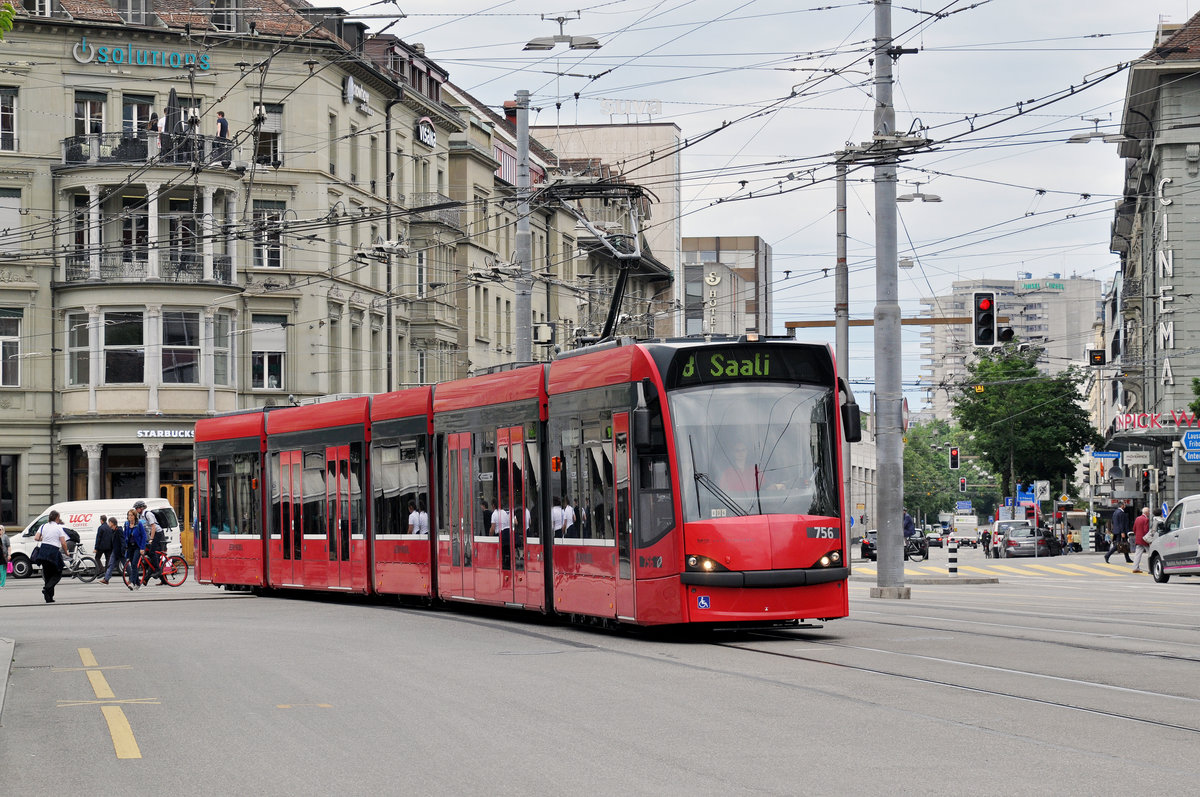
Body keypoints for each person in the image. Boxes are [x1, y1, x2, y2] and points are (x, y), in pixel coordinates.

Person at [34, 510, 70, 603]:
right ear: (57, 518)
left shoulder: (43, 526)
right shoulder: (58, 528)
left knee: (47, 575)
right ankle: (47, 588)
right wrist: (66, 552)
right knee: (57, 573)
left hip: (43, 551)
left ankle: (49, 598)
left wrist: (45, 538)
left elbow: (36, 538)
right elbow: (63, 542)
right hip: (53, 551)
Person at [135, 500, 164, 585]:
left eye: (137, 508)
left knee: (152, 553)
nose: (136, 510)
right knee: (151, 557)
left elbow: (153, 527)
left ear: (141, 508)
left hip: (158, 533)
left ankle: (158, 570)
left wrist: (151, 539)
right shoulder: (140, 516)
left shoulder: (148, 514)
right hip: (151, 534)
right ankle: (158, 578)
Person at [122, 509, 148, 591]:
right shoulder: (126, 524)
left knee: (134, 564)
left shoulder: (139, 524)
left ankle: (132, 582)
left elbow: (144, 536)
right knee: (133, 565)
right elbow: (124, 535)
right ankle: (137, 583)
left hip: (137, 547)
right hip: (130, 547)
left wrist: (142, 548)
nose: (130, 517)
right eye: (129, 515)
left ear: (135, 516)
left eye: (131, 515)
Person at [101, 517, 124, 584]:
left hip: (120, 551)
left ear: (112, 523)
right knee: (110, 564)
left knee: (126, 566)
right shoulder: (112, 530)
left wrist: (123, 550)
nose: (108, 524)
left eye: (109, 522)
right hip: (115, 551)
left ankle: (134, 577)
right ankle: (106, 579)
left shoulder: (119, 530)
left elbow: (122, 541)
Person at [490, 500, 511, 569]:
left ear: (493, 505)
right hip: (507, 534)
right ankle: (507, 566)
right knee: (507, 552)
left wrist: (490, 536)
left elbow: (493, 528)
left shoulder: (494, 514)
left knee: (499, 553)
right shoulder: (505, 512)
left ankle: (501, 566)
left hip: (499, 535)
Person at [1131, 506, 1151, 574]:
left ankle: (1135, 568)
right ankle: (1151, 569)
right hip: (1145, 540)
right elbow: (1146, 531)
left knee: (1137, 554)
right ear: (1146, 512)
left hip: (1138, 539)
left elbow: (1134, 529)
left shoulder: (1137, 518)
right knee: (1150, 554)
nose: (1149, 513)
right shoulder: (1146, 520)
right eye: (1149, 512)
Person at [0, 524, 10, 588]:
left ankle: (2, 583)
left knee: (3, 570)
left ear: (3, 530)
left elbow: (8, 546)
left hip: (3, 555)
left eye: (0, 529)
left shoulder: (5, 537)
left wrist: (9, 554)